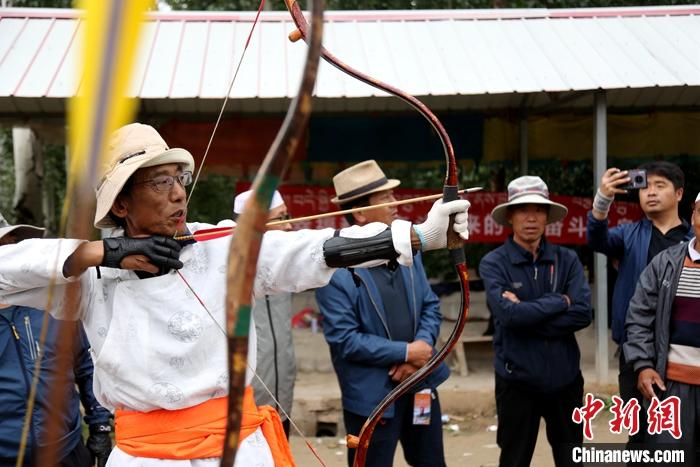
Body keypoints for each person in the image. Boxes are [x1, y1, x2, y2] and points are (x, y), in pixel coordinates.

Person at [0, 123, 470, 467]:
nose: (178, 194)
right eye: (160, 182)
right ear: (121, 203)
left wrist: (419, 237)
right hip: (146, 456)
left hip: (238, 449)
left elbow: (313, 250)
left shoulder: (221, 244)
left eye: (179, 179)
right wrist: (102, 253)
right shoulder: (89, 278)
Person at [315, 160, 450, 467]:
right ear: (360, 213)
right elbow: (345, 339)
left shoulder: (406, 250)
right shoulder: (335, 272)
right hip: (373, 397)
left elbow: (430, 305)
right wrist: (406, 352)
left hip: (419, 382)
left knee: (431, 462)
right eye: (385, 198)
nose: (395, 204)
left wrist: (421, 350)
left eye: (392, 195)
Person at [479, 175, 592, 467]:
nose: (531, 218)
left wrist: (526, 313)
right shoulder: (494, 263)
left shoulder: (567, 259)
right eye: (522, 210)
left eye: (539, 210)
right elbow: (508, 316)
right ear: (510, 216)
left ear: (547, 216)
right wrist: (560, 301)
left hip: (566, 380)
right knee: (514, 459)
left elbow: (583, 313)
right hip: (517, 382)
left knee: (572, 459)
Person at [587, 161, 692, 444]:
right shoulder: (628, 234)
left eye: (660, 186)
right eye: (645, 187)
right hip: (636, 351)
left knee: (685, 433)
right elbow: (596, 239)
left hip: (683, 350)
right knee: (641, 435)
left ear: (679, 193)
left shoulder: (693, 241)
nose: (651, 192)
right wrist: (603, 198)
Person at [0, 215, 113, 467]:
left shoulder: (55, 304)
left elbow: (86, 364)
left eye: (12, 245)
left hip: (66, 450)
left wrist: (100, 426)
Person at [624, 192, 700, 440]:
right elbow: (639, 315)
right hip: (673, 386)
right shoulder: (665, 262)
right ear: (694, 216)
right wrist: (643, 365)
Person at [233, 189, 295, 438]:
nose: (289, 226)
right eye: (281, 218)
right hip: (246, 408)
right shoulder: (228, 270)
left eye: (288, 216)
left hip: (282, 399)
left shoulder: (285, 268)